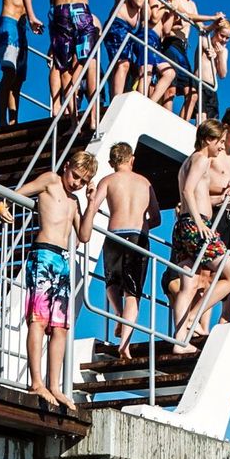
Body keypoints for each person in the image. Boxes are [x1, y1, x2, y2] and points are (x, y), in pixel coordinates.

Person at [0, 150, 97, 409]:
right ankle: (36, 382)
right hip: (43, 254)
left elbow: (84, 235)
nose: (76, 183)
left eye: (83, 181)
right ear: (67, 167)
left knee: (60, 327)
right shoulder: (51, 180)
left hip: (62, 261)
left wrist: (91, 202)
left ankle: (54, 386)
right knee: (39, 320)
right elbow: (17, 193)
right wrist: (2, 205)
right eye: (75, 176)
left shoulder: (75, 201)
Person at [24, 0, 132, 119]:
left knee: (63, 67)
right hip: (80, 10)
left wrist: (31, 16)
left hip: (59, 12)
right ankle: (93, 116)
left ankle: (73, 119)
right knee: (89, 61)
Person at [167, 121, 230, 351]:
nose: (222, 147)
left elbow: (199, 195)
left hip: (185, 225)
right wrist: (200, 223)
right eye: (220, 142)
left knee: (188, 285)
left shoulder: (189, 161)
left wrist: (223, 198)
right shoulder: (201, 159)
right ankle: (192, 316)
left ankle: (180, 340)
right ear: (208, 140)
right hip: (197, 226)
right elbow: (188, 191)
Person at [79, 142, 156, 355]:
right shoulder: (144, 182)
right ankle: (124, 345)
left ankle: (119, 313)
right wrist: (143, 224)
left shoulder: (108, 180)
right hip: (138, 237)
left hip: (114, 235)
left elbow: (93, 207)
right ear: (132, 159)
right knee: (133, 293)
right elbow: (156, 217)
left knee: (111, 281)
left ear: (112, 163)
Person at [101, 0, 161, 103]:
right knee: (123, 64)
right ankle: (116, 100)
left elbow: (147, 16)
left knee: (124, 65)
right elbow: (137, 2)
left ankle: (116, 97)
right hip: (118, 25)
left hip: (128, 29)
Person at [197, 16, 230, 120]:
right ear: (215, 31)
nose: (224, 40)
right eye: (222, 35)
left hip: (212, 87)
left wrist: (220, 56)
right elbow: (204, 37)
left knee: (213, 121)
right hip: (200, 83)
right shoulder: (205, 39)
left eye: (227, 38)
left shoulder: (224, 51)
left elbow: (223, 74)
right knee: (201, 116)